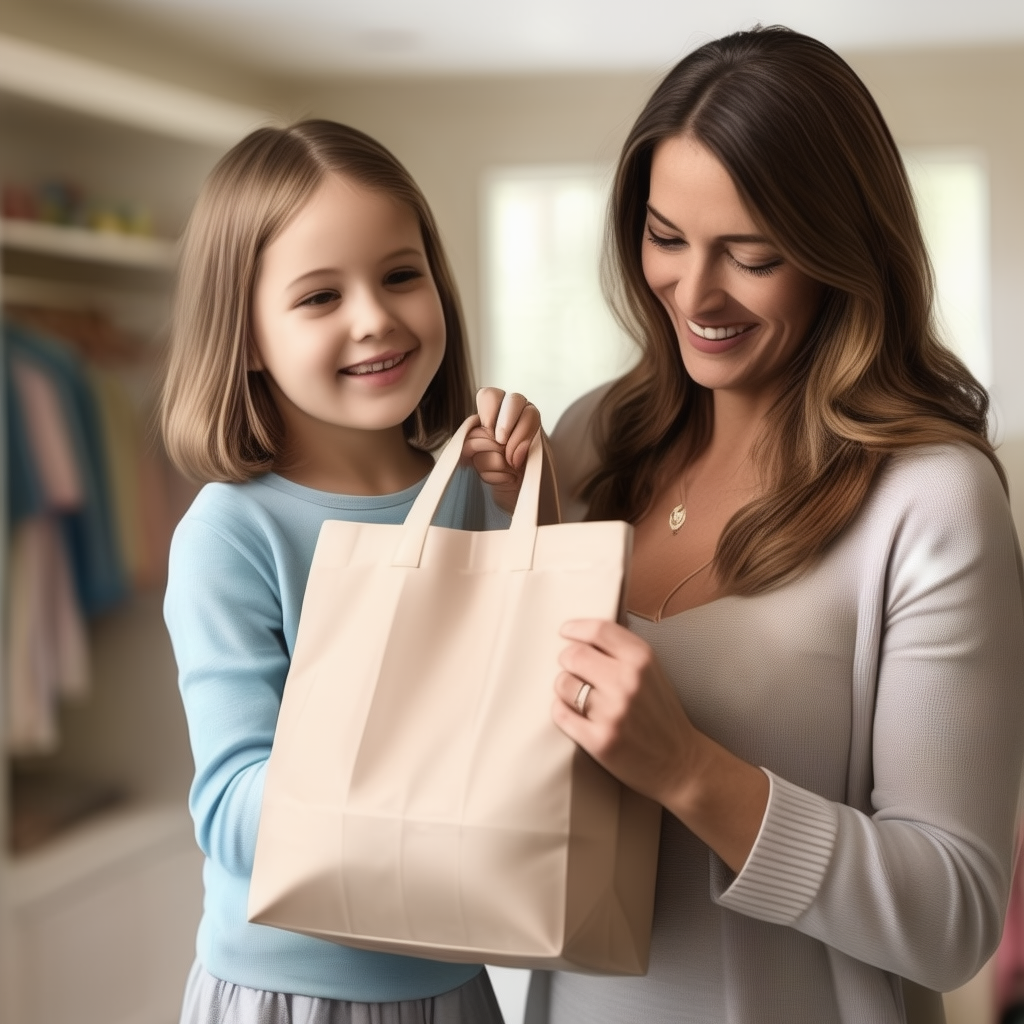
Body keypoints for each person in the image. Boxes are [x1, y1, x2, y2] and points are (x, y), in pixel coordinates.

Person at [528, 26, 1024, 1024]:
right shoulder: (596, 439)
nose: (695, 292)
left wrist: (690, 770)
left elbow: (954, 916)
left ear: (845, 252)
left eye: (750, 255)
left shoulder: (928, 500)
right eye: (665, 238)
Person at [161, 119, 541, 1024]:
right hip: (288, 995)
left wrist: (537, 511)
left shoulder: (481, 494)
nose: (375, 317)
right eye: (319, 296)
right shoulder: (231, 533)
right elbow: (229, 810)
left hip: (455, 984)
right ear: (246, 337)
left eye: (400, 275)